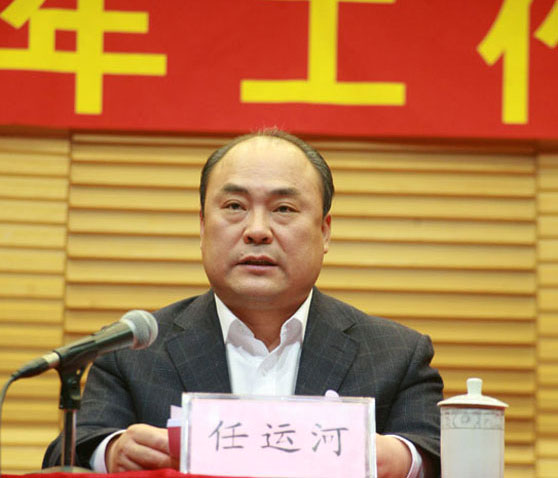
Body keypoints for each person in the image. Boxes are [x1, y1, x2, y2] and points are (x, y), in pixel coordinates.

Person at [43, 129, 443, 477]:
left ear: (324, 232)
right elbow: (67, 453)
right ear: (203, 226)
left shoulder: (397, 355)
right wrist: (112, 452)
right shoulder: (131, 352)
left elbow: (438, 452)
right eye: (234, 207)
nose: (257, 230)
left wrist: (403, 459)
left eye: (283, 209)